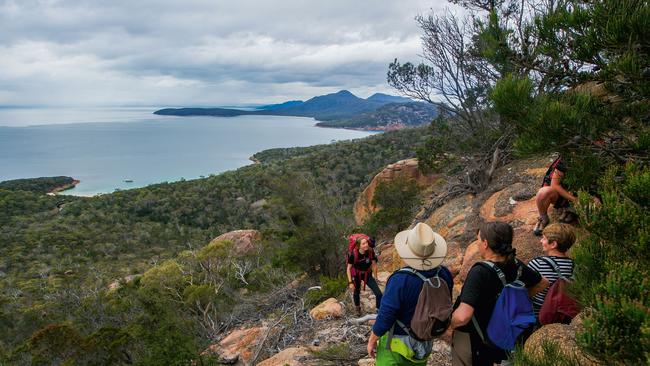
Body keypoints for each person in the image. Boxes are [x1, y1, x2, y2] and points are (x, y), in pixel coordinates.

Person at [448, 221, 548, 366]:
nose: (477, 244)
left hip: (476, 337)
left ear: (485, 243)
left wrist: (450, 325)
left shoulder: (479, 272)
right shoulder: (516, 264)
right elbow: (543, 282)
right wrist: (516, 300)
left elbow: (463, 316)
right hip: (505, 332)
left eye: (478, 241)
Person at [366, 222, 453, 365]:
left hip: (396, 344)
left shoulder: (400, 279)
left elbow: (386, 315)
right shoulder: (444, 274)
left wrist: (372, 340)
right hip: (425, 339)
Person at [527, 223, 576, 319]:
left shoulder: (538, 264)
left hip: (538, 312)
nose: (541, 241)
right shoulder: (573, 265)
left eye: (544, 238)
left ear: (553, 244)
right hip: (561, 311)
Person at [534, 155, 576, 236]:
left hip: (583, 192)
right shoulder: (567, 158)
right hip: (564, 193)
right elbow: (555, 185)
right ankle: (543, 218)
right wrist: (575, 200)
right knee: (543, 193)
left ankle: (571, 210)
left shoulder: (599, 155)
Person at [347, 236, 382, 316]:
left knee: (379, 294)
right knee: (356, 292)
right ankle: (357, 309)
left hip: (367, 274)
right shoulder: (353, 254)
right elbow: (348, 268)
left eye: (366, 243)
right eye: (363, 244)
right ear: (359, 246)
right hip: (357, 275)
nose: (366, 245)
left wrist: (376, 277)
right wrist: (350, 282)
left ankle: (378, 311)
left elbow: (374, 264)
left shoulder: (370, 251)